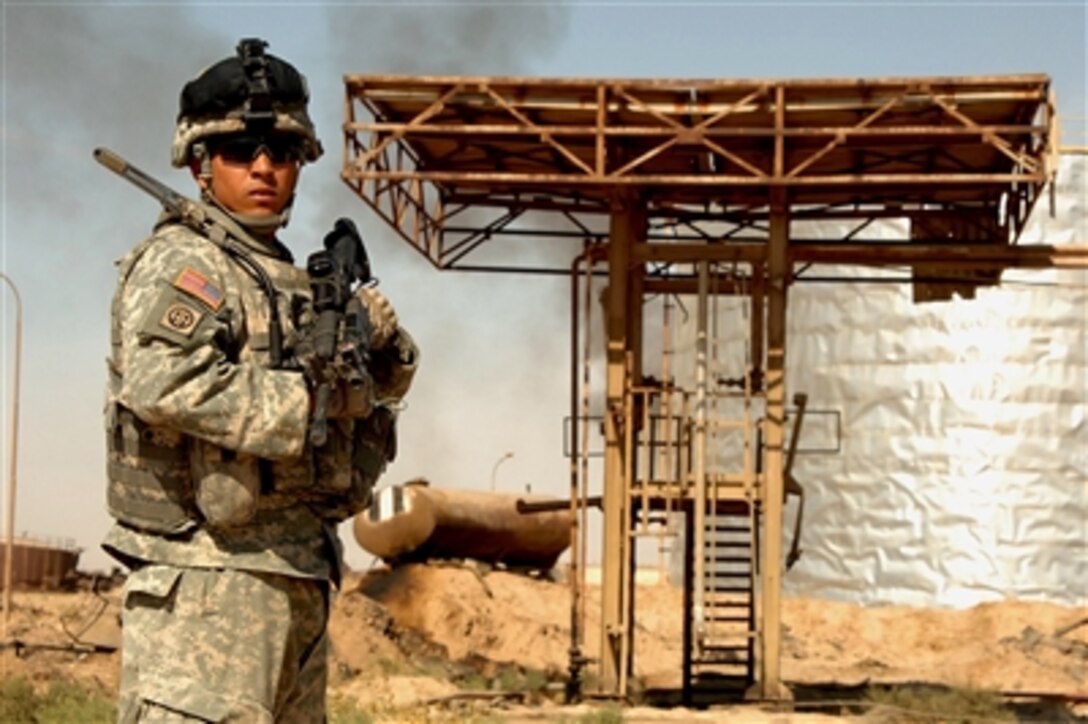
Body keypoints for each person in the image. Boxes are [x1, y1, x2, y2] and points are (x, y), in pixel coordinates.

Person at [102, 38, 418, 722]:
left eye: (281, 153)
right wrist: (306, 400)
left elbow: (368, 398)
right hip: (210, 582)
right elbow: (161, 380)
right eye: (241, 152)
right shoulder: (185, 263)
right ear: (198, 163)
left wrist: (384, 349)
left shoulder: (291, 280)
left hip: (298, 571)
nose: (264, 167)